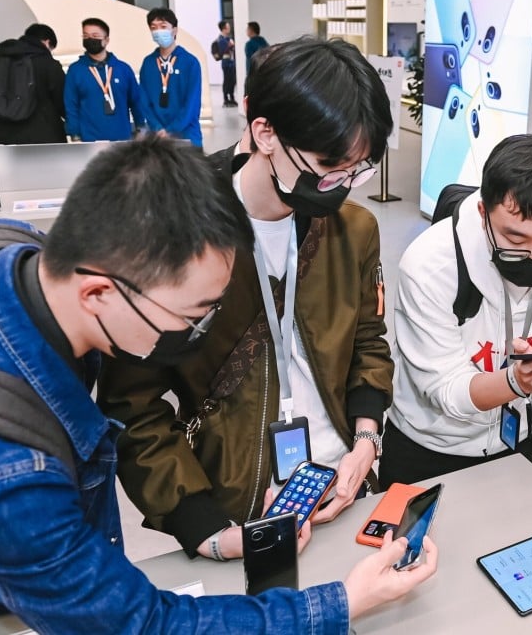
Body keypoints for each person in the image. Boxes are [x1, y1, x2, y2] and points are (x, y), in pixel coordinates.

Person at [0, 135, 436, 631]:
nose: (205, 329)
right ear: (100, 292)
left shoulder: (10, 249)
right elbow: (142, 625)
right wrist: (345, 600)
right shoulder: (10, 472)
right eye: (194, 316)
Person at [99, 36, 394, 561]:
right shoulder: (169, 234)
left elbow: (368, 343)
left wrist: (366, 444)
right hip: (234, 501)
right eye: (329, 166)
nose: (341, 186)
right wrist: (208, 531)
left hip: (346, 488)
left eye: (360, 170)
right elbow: (132, 408)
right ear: (265, 132)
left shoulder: (354, 229)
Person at [381, 133, 532, 488]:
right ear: (483, 212)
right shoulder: (432, 264)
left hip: (527, 436)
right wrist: (515, 381)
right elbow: (446, 389)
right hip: (430, 448)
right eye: (515, 241)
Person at [0, 23, 66, 144]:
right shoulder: (48, 63)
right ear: (47, 42)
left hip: (2, 135)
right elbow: (61, 99)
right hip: (43, 137)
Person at [64, 17, 145, 142]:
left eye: (95, 35)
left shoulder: (123, 69)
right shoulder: (75, 70)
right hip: (89, 140)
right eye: (86, 36)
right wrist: (75, 134)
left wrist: (140, 127)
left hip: (122, 138)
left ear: (106, 40)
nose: (90, 39)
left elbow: (136, 101)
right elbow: (71, 105)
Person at [139, 7, 202, 147]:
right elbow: (144, 102)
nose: (158, 31)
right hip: (157, 137)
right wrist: (158, 129)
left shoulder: (190, 62)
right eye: (153, 27)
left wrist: (170, 130)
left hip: (187, 135)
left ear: (174, 30)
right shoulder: (148, 63)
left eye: (163, 26)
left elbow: (192, 103)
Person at [216, 20, 237, 107]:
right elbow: (223, 50)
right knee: (227, 80)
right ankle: (226, 98)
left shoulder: (229, 38)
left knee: (232, 80)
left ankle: (232, 97)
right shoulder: (220, 39)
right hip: (226, 62)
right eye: (227, 28)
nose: (229, 29)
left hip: (231, 61)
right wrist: (230, 46)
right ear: (223, 29)